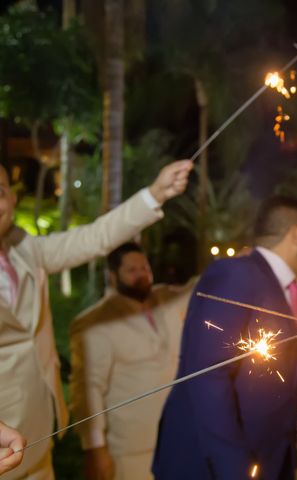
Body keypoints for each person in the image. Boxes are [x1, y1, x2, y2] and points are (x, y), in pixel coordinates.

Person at [0, 159, 191, 480]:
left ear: (12, 199)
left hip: (38, 434)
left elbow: (94, 238)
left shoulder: (25, 250)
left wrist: (155, 193)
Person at [153, 196, 297, 480]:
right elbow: (207, 376)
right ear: (295, 237)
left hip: (272, 461)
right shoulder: (234, 274)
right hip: (210, 465)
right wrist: (235, 470)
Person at [69, 242, 195, 480]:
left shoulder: (164, 298)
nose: (142, 275)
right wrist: (96, 450)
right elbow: (88, 391)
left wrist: (231, 265)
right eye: (132, 270)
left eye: (144, 267)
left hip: (178, 438)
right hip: (131, 450)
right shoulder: (95, 322)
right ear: (112, 275)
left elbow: (196, 289)